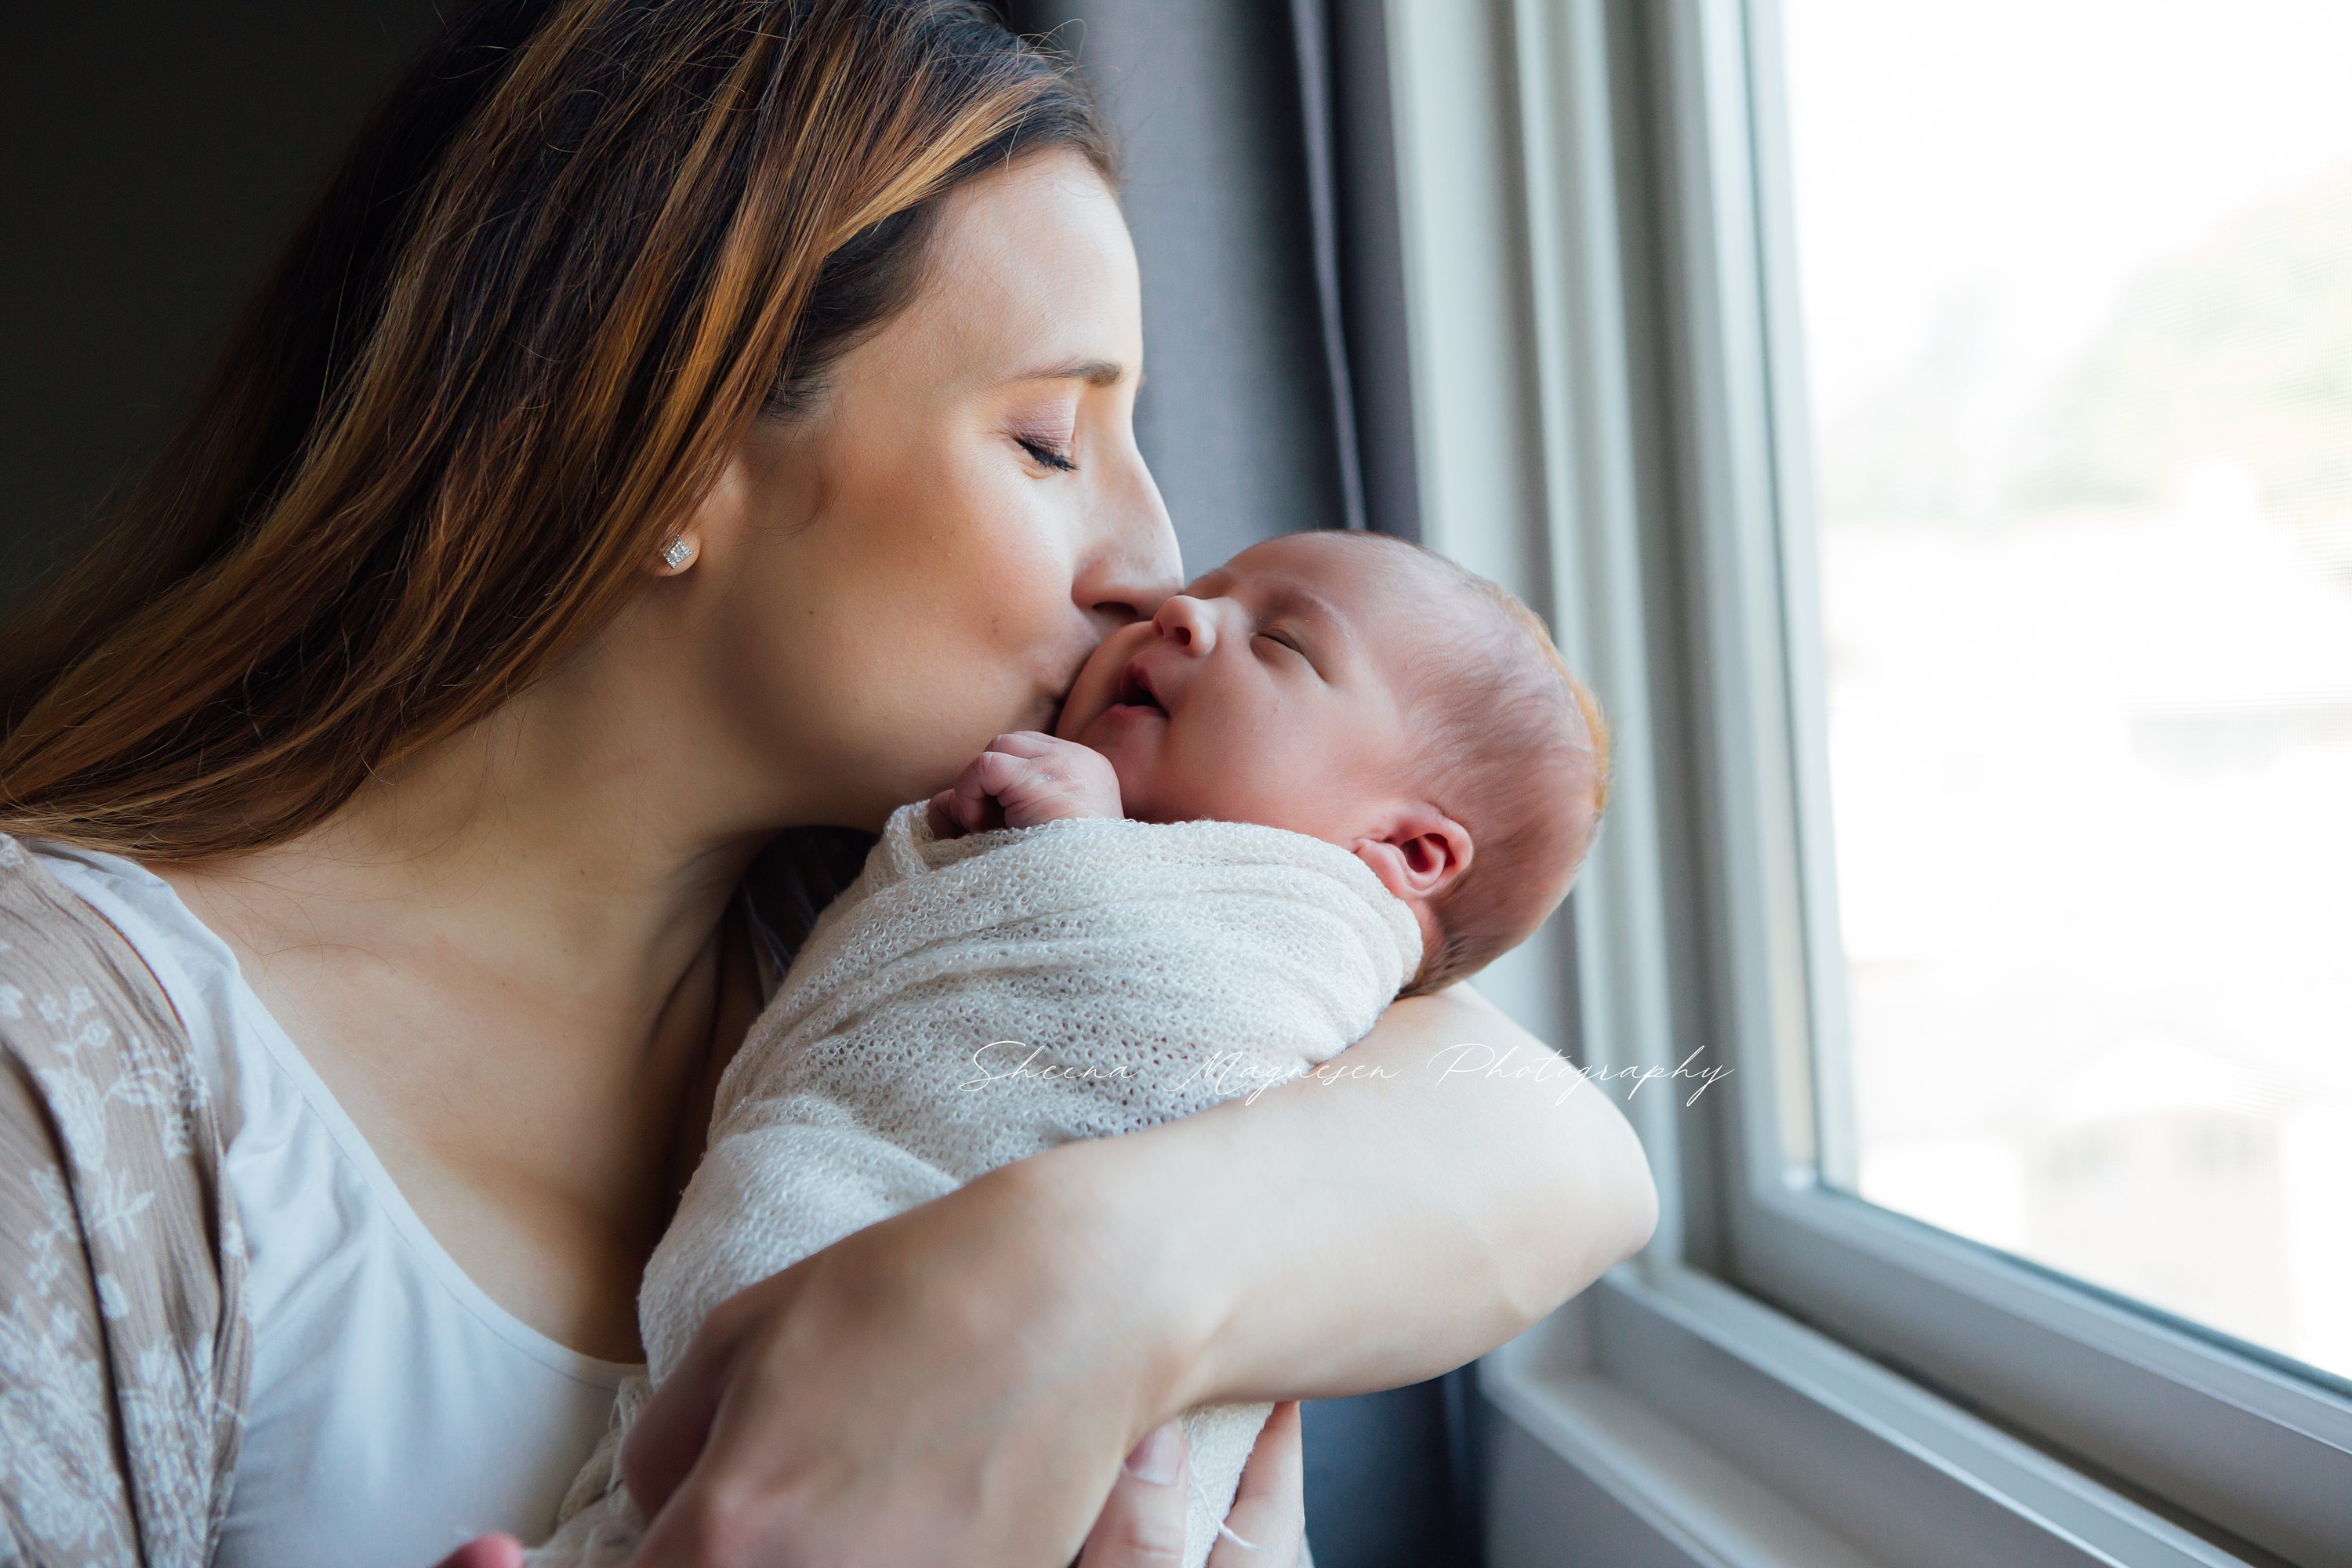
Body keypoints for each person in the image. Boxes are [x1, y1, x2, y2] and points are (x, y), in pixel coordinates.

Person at [0, 3, 1658, 1566]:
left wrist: (1074, 1281)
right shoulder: (81, 1072)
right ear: (666, 448)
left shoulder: (907, 927)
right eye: (1047, 442)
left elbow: (1570, 1146)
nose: (1156, 562)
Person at [530, 526, 1613, 1566]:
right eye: (1216, 590)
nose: (1179, 610)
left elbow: (1197, 1049)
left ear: (1406, 853)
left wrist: (1080, 864)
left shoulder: (1315, 937)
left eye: (1278, 641)